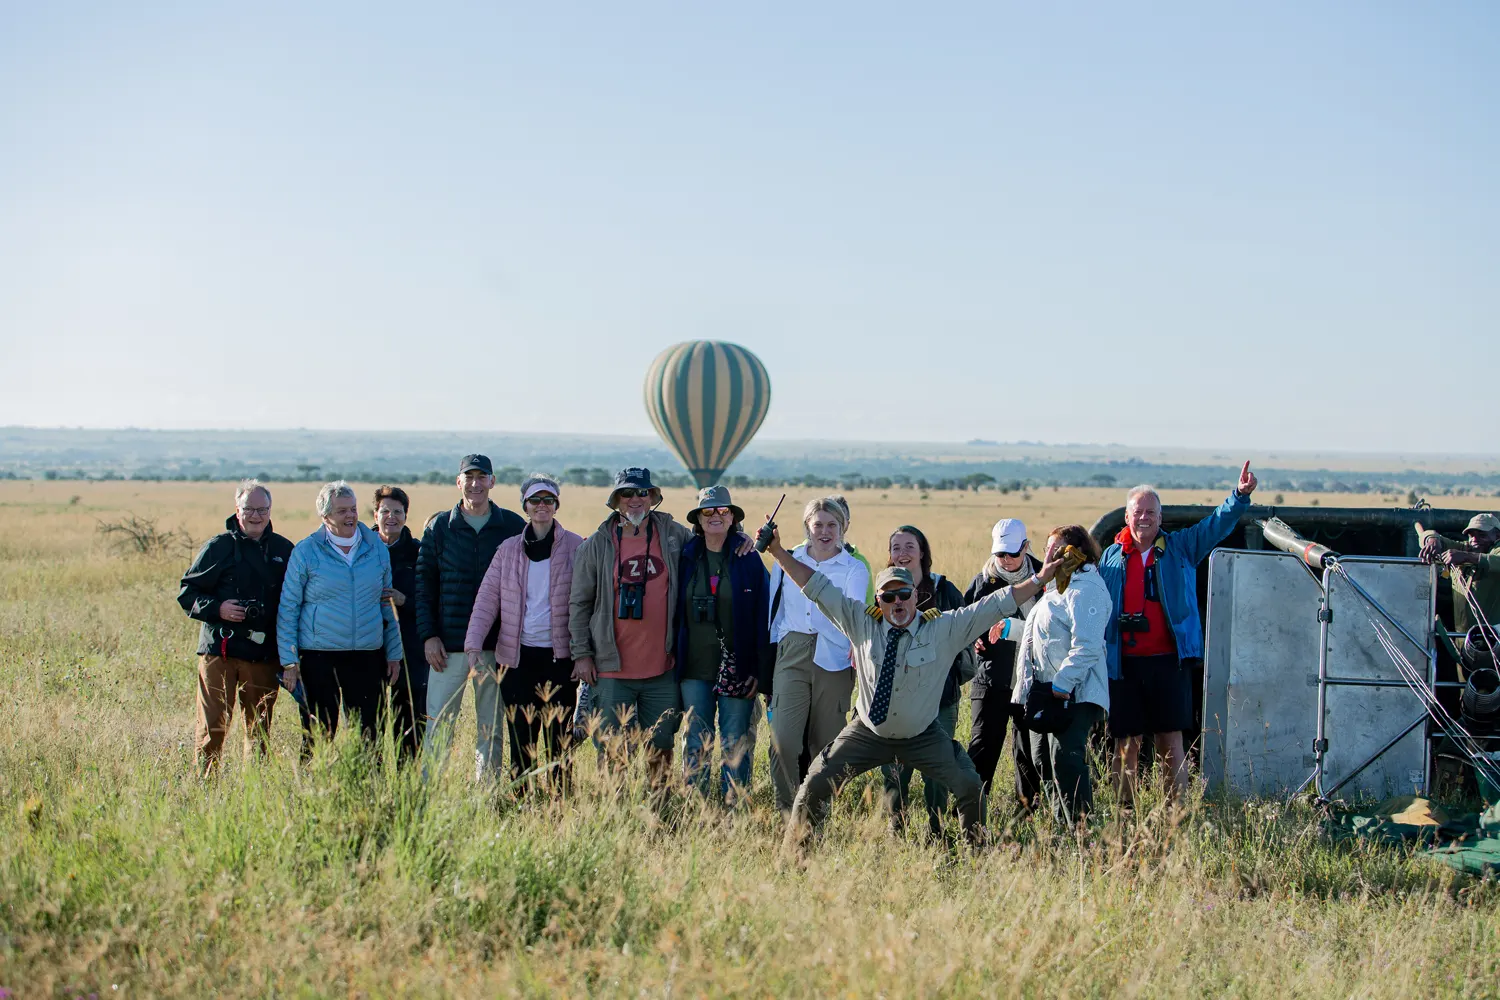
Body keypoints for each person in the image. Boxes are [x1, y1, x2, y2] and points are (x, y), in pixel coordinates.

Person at [759, 521, 1061, 849]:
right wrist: (776, 551)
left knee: (969, 784)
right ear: (878, 599)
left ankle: (976, 852)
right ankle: (795, 856)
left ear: (916, 596)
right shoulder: (860, 621)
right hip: (867, 734)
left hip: (923, 735)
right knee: (816, 782)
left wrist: (1040, 578)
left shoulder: (943, 627)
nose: (898, 602)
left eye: (904, 594)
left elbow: (997, 603)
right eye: (889, 597)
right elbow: (814, 585)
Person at [1099, 462, 1257, 802]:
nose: (1144, 518)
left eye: (1151, 512)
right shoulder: (1110, 558)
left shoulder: (1181, 548)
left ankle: (1176, 813)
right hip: (1122, 664)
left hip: (1169, 662)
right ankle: (1125, 814)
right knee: (1126, 743)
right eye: (1137, 512)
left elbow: (1216, 526)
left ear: (1161, 518)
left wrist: (1239, 496)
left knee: (1170, 741)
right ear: (1126, 518)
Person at [568, 468, 690, 791]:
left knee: (661, 746)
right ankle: (614, 817)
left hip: (662, 668)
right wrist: (581, 654)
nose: (635, 499)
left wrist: (744, 539)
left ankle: (659, 817)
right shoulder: (595, 546)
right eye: (628, 494)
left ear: (652, 497)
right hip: (611, 669)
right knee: (612, 749)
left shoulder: (675, 536)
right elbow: (579, 604)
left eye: (642, 493)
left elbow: (714, 541)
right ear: (616, 500)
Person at [465, 474, 584, 793]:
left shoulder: (577, 546)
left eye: (548, 500)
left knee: (560, 738)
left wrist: (587, 654)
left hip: (560, 659)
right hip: (515, 659)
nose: (541, 506)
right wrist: (473, 643)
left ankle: (562, 803)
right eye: (535, 500)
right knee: (522, 736)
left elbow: (592, 600)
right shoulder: (508, 550)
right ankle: (523, 802)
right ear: (525, 506)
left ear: (556, 505)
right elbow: (487, 598)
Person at [417, 454, 526, 782]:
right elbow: (424, 584)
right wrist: (428, 635)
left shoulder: (511, 526)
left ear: (492, 482)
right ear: (458, 481)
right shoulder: (440, 527)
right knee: (438, 724)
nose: (476, 483)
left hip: (494, 645)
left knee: (490, 727)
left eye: (482, 477)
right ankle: (428, 794)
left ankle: (487, 796)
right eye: (469, 476)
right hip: (447, 647)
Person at [177, 479, 294, 775]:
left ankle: (253, 793)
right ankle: (205, 788)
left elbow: (295, 602)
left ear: (270, 510)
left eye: (262, 509)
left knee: (259, 732)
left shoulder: (284, 549)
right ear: (237, 510)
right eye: (249, 509)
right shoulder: (219, 547)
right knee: (212, 727)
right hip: (221, 652)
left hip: (265, 655)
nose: (256, 516)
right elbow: (187, 594)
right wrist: (219, 609)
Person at [278, 481, 403, 750]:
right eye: (341, 511)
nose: (350, 516)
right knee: (317, 737)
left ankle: (370, 791)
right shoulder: (306, 551)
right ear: (325, 516)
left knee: (371, 736)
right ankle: (313, 790)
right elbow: (289, 607)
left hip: (368, 655)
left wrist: (394, 653)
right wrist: (289, 661)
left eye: (353, 509)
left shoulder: (376, 548)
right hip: (318, 657)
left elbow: (387, 605)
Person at [766, 497, 871, 815]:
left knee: (824, 744)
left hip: (835, 655)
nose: (825, 532)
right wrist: (776, 654)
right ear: (807, 527)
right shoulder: (786, 560)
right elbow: (775, 613)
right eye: (818, 524)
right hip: (793, 651)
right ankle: (787, 810)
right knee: (783, 738)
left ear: (843, 528)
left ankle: (814, 815)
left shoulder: (854, 568)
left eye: (832, 525)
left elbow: (848, 612)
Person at [673, 485, 771, 805]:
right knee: (696, 740)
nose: (716, 516)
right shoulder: (685, 556)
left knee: (735, 741)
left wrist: (759, 670)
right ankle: (696, 807)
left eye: (723, 511)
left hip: (738, 666)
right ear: (698, 520)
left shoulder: (748, 558)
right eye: (708, 511)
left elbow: (763, 616)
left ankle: (735, 808)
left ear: (733, 519)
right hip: (694, 666)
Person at [1011, 525, 1111, 826]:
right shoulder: (1057, 589)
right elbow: (1048, 637)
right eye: (1047, 551)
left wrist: (1062, 684)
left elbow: (1088, 645)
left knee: (1066, 760)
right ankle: (1061, 829)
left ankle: (1082, 832)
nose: (1048, 557)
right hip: (1046, 692)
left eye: (1056, 551)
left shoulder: (1086, 589)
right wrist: (1008, 629)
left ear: (1074, 553)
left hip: (1073, 694)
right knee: (1044, 761)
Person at [880, 525, 972, 838]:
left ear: (922, 552)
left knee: (938, 766)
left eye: (909, 546)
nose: (902, 553)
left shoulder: (945, 590)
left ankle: (937, 831)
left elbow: (965, 636)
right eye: (896, 547)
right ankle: (897, 829)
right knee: (894, 766)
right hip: (895, 697)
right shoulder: (883, 591)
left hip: (938, 696)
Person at [964, 518, 1044, 816]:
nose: (1006, 560)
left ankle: (1025, 817)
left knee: (1028, 752)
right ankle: (971, 813)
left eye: (1012, 553)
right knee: (982, 747)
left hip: (1032, 680)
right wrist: (971, 639)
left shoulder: (1044, 576)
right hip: (991, 680)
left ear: (1026, 546)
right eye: (1000, 554)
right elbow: (961, 623)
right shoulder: (982, 582)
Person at [372, 485, 425, 761]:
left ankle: (408, 788)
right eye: (385, 511)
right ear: (375, 514)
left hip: (410, 653)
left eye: (397, 511)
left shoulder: (419, 553)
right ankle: (373, 790)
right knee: (370, 726)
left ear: (406, 516)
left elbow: (432, 601)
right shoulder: (359, 549)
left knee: (410, 730)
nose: (390, 517)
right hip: (368, 650)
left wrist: (405, 600)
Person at [1418, 513, 1500, 656]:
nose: (1474, 540)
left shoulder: (1492, 553)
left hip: (1494, 642)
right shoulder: (1467, 548)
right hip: (1463, 644)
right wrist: (1432, 540)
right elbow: (1433, 537)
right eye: (1471, 535)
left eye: (1482, 535)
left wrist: (1469, 558)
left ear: (1497, 536)